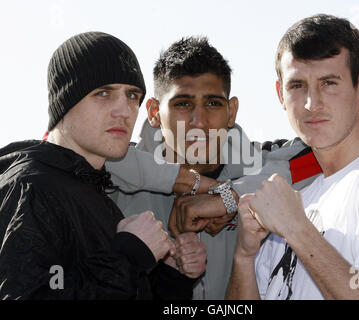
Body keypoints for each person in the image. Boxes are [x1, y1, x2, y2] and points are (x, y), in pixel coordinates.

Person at [106, 36, 322, 299]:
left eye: (213, 103)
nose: (200, 121)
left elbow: (319, 157)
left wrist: (231, 197)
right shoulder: (116, 170)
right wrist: (178, 179)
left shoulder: (257, 162)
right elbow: (63, 147)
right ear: (153, 111)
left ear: (231, 112)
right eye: (182, 103)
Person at [0, 31, 206, 300]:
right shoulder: (32, 187)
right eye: (103, 93)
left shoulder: (94, 191)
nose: (124, 110)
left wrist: (171, 275)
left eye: (132, 95)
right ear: (65, 101)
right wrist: (130, 254)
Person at [226, 14, 359, 300]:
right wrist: (244, 256)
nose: (311, 104)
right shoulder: (300, 194)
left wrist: (296, 229)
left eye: (329, 83)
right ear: (280, 94)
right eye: (297, 86)